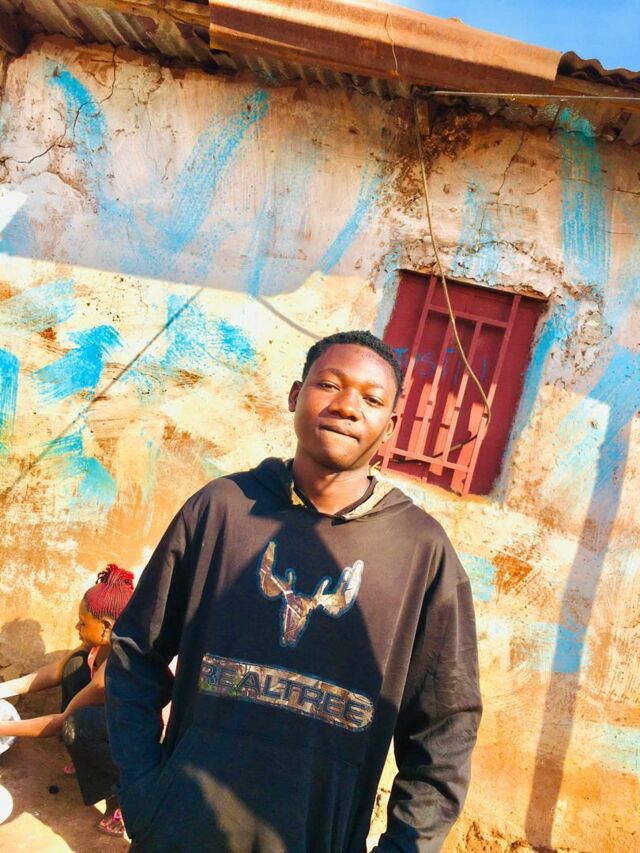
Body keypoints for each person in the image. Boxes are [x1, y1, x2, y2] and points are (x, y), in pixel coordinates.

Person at [106, 329, 482, 852]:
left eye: (372, 399)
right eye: (329, 385)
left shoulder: (420, 551)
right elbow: (135, 653)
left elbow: (445, 725)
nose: (347, 406)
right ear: (294, 396)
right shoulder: (220, 509)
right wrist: (144, 791)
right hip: (178, 833)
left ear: (390, 428)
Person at [0, 564, 135, 837]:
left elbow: (60, 722)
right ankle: (84, 756)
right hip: (106, 720)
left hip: (131, 741)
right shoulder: (98, 646)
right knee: (74, 666)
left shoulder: (115, 668)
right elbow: (54, 672)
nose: (77, 627)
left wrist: (2, 727)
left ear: (106, 627)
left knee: (75, 725)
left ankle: (120, 803)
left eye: (83, 623)